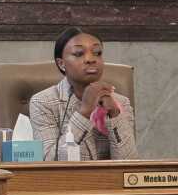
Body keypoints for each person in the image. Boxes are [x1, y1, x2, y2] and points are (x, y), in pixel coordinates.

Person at [29, 27, 138, 161]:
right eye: (79, 53)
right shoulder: (43, 102)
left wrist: (114, 115)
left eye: (97, 53)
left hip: (108, 181)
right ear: (61, 63)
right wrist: (84, 113)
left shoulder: (121, 103)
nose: (90, 59)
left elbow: (129, 166)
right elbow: (49, 162)